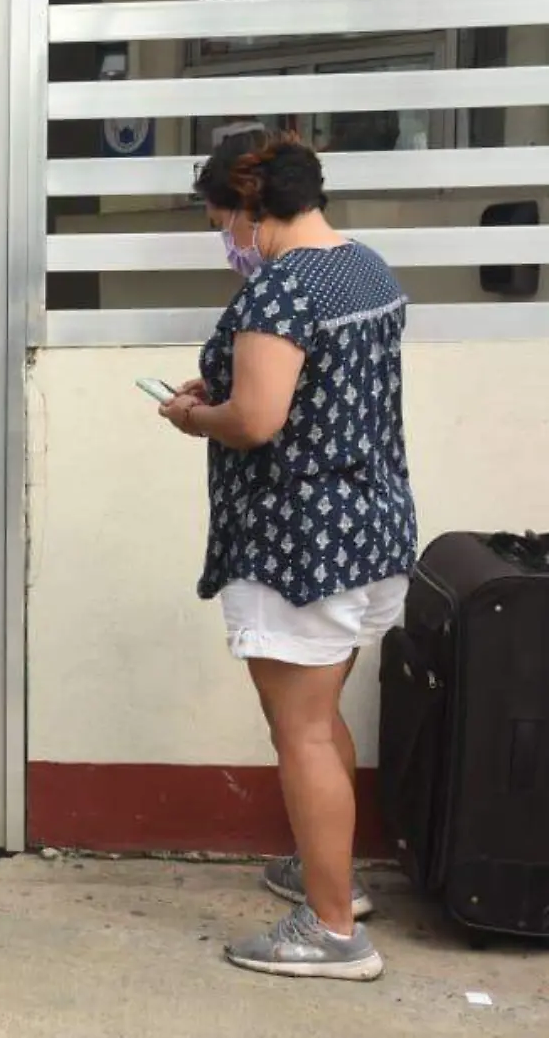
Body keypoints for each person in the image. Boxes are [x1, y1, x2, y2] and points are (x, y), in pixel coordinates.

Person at [158, 129, 414, 982]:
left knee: (299, 728)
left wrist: (197, 414)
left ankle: (334, 930)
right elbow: (309, 390)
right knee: (321, 715)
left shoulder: (282, 290)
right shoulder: (363, 267)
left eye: (220, 219)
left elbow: (258, 421)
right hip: (369, 527)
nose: (223, 237)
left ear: (251, 210)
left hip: (297, 540)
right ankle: (326, 869)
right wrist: (229, 392)